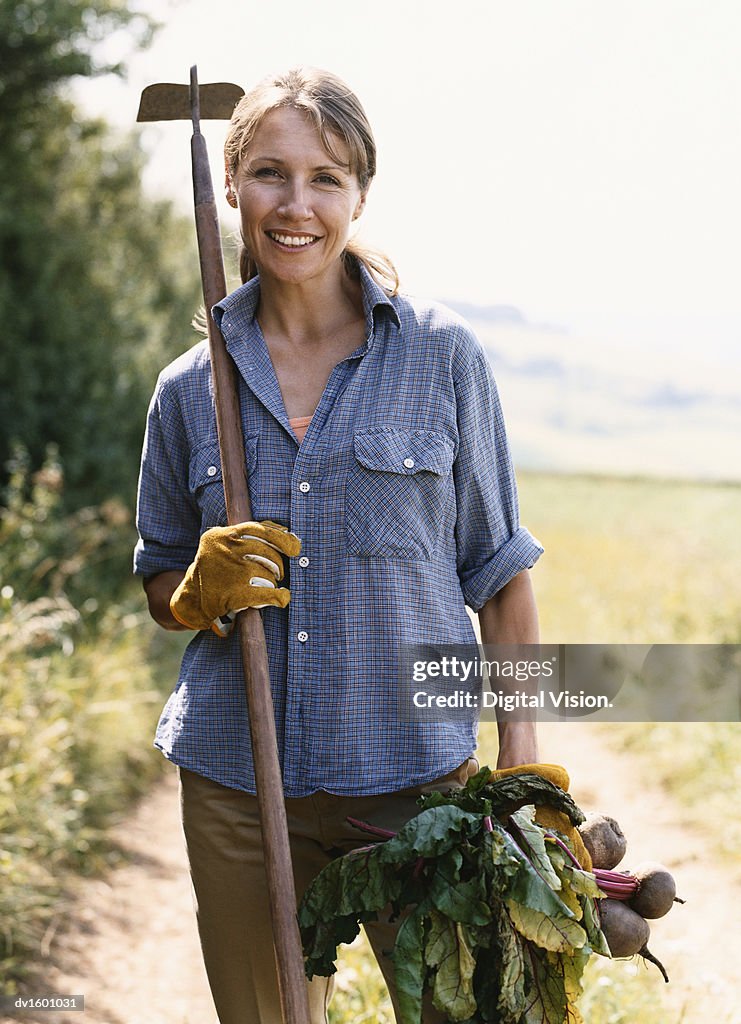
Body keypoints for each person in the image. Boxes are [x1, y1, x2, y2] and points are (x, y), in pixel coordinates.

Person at [134, 66, 544, 1024]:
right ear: (230, 184)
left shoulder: (443, 359)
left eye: (326, 178)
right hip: (240, 785)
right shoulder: (191, 388)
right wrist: (196, 591)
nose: (297, 204)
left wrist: (526, 780)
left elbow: (501, 574)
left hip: (417, 788)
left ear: (360, 194)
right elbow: (159, 579)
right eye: (271, 173)